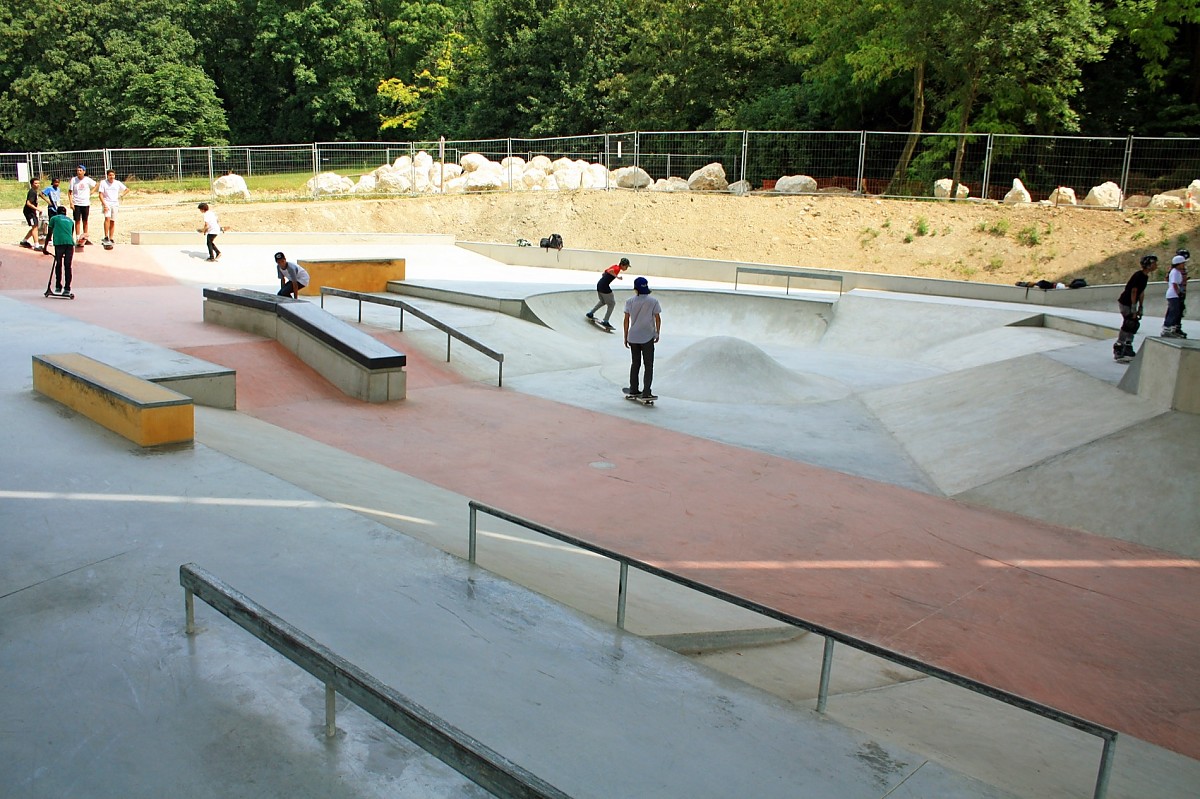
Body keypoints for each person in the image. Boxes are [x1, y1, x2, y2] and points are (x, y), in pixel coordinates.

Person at [623, 276, 662, 400]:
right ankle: (646, 391)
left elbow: (626, 319)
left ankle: (633, 389)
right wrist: (657, 333)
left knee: (635, 364)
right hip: (647, 337)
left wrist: (625, 336)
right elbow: (657, 318)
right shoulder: (653, 301)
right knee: (648, 365)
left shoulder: (630, 301)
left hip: (633, 336)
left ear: (636, 289)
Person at [1114, 254, 1157, 361]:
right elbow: (1134, 291)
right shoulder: (1138, 276)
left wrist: (1140, 307)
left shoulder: (1145, 276)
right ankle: (1119, 347)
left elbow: (1141, 292)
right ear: (1148, 265)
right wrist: (1133, 308)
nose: (1156, 265)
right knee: (1129, 323)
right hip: (1125, 302)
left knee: (1134, 324)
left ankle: (1128, 345)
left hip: (1132, 302)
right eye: (1154, 263)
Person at [586, 257, 630, 330]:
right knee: (612, 304)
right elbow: (610, 271)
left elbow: (604, 272)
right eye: (626, 266)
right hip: (604, 287)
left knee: (603, 301)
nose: (627, 268)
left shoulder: (615, 266)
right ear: (622, 265)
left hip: (599, 285)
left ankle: (590, 313)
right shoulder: (617, 269)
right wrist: (617, 277)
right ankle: (605, 321)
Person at [46, 206, 75, 295]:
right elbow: (71, 232)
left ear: (57, 212)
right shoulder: (71, 221)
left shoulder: (54, 218)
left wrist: (45, 247)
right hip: (70, 243)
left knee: (58, 264)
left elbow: (49, 233)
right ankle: (67, 288)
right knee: (68, 266)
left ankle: (58, 286)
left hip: (59, 243)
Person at [97, 169, 128, 245]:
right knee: (107, 218)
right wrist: (104, 204)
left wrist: (121, 195)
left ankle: (111, 237)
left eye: (113, 175)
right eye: (110, 175)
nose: (111, 177)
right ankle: (106, 236)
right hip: (107, 203)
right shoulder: (103, 183)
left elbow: (127, 189)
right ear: (107, 175)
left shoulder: (117, 183)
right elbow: (100, 194)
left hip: (115, 204)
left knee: (112, 221)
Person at [68, 164, 96, 244]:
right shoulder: (74, 180)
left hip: (85, 203)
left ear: (84, 171)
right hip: (77, 203)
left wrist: (92, 192)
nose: (79, 172)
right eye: (77, 170)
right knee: (77, 220)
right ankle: (77, 237)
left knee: (85, 220)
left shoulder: (87, 180)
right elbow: (70, 192)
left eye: (80, 170)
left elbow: (96, 184)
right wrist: (71, 202)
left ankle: (85, 237)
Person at [1162, 254, 1188, 338]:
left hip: (1173, 295)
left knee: (1175, 312)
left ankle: (1172, 329)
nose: (1184, 265)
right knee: (1173, 313)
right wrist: (1179, 294)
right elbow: (1174, 284)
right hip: (1173, 295)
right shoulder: (1175, 272)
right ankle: (1166, 329)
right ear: (1178, 264)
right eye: (1182, 263)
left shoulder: (1176, 272)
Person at [20, 177, 41, 249]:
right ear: (32, 184)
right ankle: (36, 245)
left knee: (35, 227)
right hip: (29, 212)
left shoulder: (35, 192)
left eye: (38, 183)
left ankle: (24, 241)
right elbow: (28, 203)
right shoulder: (32, 192)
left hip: (32, 212)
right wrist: (37, 209)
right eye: (35, 183)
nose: (37, 185)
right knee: (35, 227)